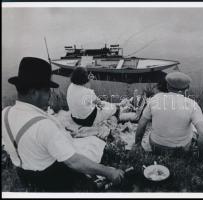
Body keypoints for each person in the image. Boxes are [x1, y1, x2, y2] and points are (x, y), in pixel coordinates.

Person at [2, 57, 124, 192]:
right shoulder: (44, 126)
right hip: (48, 177)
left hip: (23, 174)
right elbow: (74, 162)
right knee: (87, 182)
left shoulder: (5, 113)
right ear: (34, 92)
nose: (50, 95)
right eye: (47, 90)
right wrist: (109, 172)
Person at [134, 72, 203, 156]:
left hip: (156, 147)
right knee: (194, 131)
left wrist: (137, 144)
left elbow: (142, 124)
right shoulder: (192, 104)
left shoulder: (155, 99)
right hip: (181, 150)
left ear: (167, 86)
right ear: (186, 89)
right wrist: (200, 155)